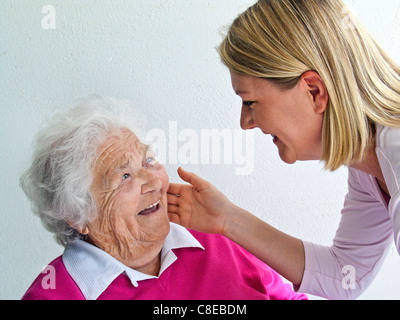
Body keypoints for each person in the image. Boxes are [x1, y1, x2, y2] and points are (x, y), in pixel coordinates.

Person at [168, 0, 400, 300]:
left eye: (250, 102)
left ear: (314, 92)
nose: (245, 123)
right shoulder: (368, 168)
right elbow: (347, 275)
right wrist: (228, 219)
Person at [20, 96, 306, 300]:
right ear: (77, 214)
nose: (153, 181)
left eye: (148, 161)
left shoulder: (213, 237)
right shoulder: (55, 294)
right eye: (124, 177)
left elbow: (288, 296)